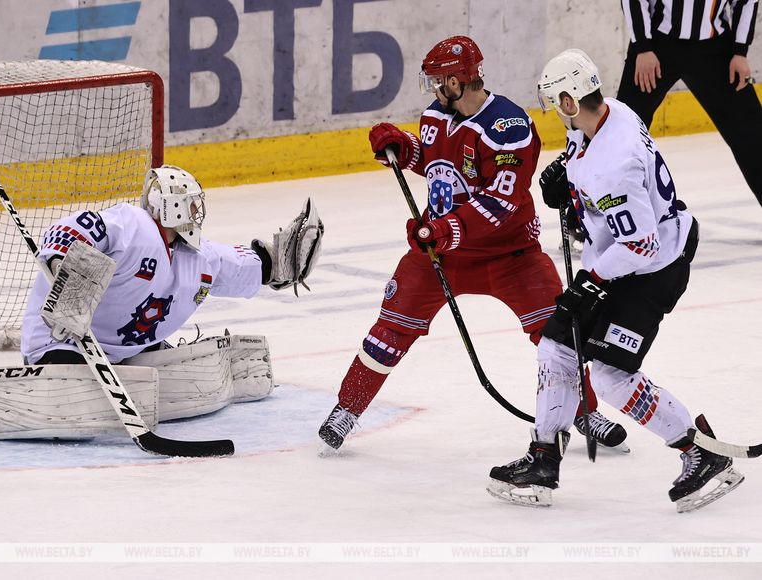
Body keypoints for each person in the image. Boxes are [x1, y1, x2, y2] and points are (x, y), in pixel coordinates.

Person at [317, 36, 627, 453]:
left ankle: (584, 411)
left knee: (558, 334)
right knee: (389, 332)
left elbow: (500, 201)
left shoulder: (509, 128)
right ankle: (347, 408)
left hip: (510, 256)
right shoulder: (435, 115)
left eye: (438, 81)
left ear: (457, 81)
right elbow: (438, 165)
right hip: (439, 252)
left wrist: (444, 229)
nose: (433, 89)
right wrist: (403, 149)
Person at [488, 49, 745, 512]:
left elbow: (641, 243)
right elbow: (590, 160)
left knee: (610, 378)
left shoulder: (614, 164)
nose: (555, 114)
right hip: (622, 259)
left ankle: (702, 453)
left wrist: (591, 280)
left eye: (555, 105)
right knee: (556, 346)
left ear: (570, 101)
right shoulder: (612, 112)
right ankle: (544, 458)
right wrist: (569, 185)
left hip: (653, 269)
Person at [21, 165, 324, 367]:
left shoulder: (197, 256)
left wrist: (277, 264)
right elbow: (73, 228)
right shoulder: (133, 225)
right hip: (63, 343)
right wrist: (61, 263)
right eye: (191, 203)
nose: (196, 211)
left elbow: (234, 266)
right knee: (69, 365)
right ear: (173, 205)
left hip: (125, 352)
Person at [618, 0, 762, 207]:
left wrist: (740, 52)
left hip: (715, 50)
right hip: (657, 46)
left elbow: (746, 2)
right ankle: (592, 211)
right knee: (622, 128)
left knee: (752, 132)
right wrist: (643, 47)